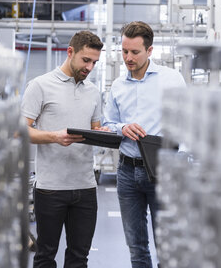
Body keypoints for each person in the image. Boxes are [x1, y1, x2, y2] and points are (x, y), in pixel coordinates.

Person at [103, 21, 186, 268]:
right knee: (136, 246)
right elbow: (108, 124)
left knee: (167, 245)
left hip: (162, 170)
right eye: (124, 51)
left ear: (150, 51)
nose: (128, 58)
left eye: (135, 52)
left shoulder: (172, 80)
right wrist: (122, 128)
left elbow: (188, 121)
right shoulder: (117, 86)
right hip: (127, 172)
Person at [21, 30, 107, 268]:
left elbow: (95, 129)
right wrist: (54, 137)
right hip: (51, 189)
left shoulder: (93, 92)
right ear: (70, 52)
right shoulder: (39, 86)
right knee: (46, 256)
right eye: (86, 60)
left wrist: (105, 135)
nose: (89, 67)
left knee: (79, 258)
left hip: (86, 188)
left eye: (94, 63)